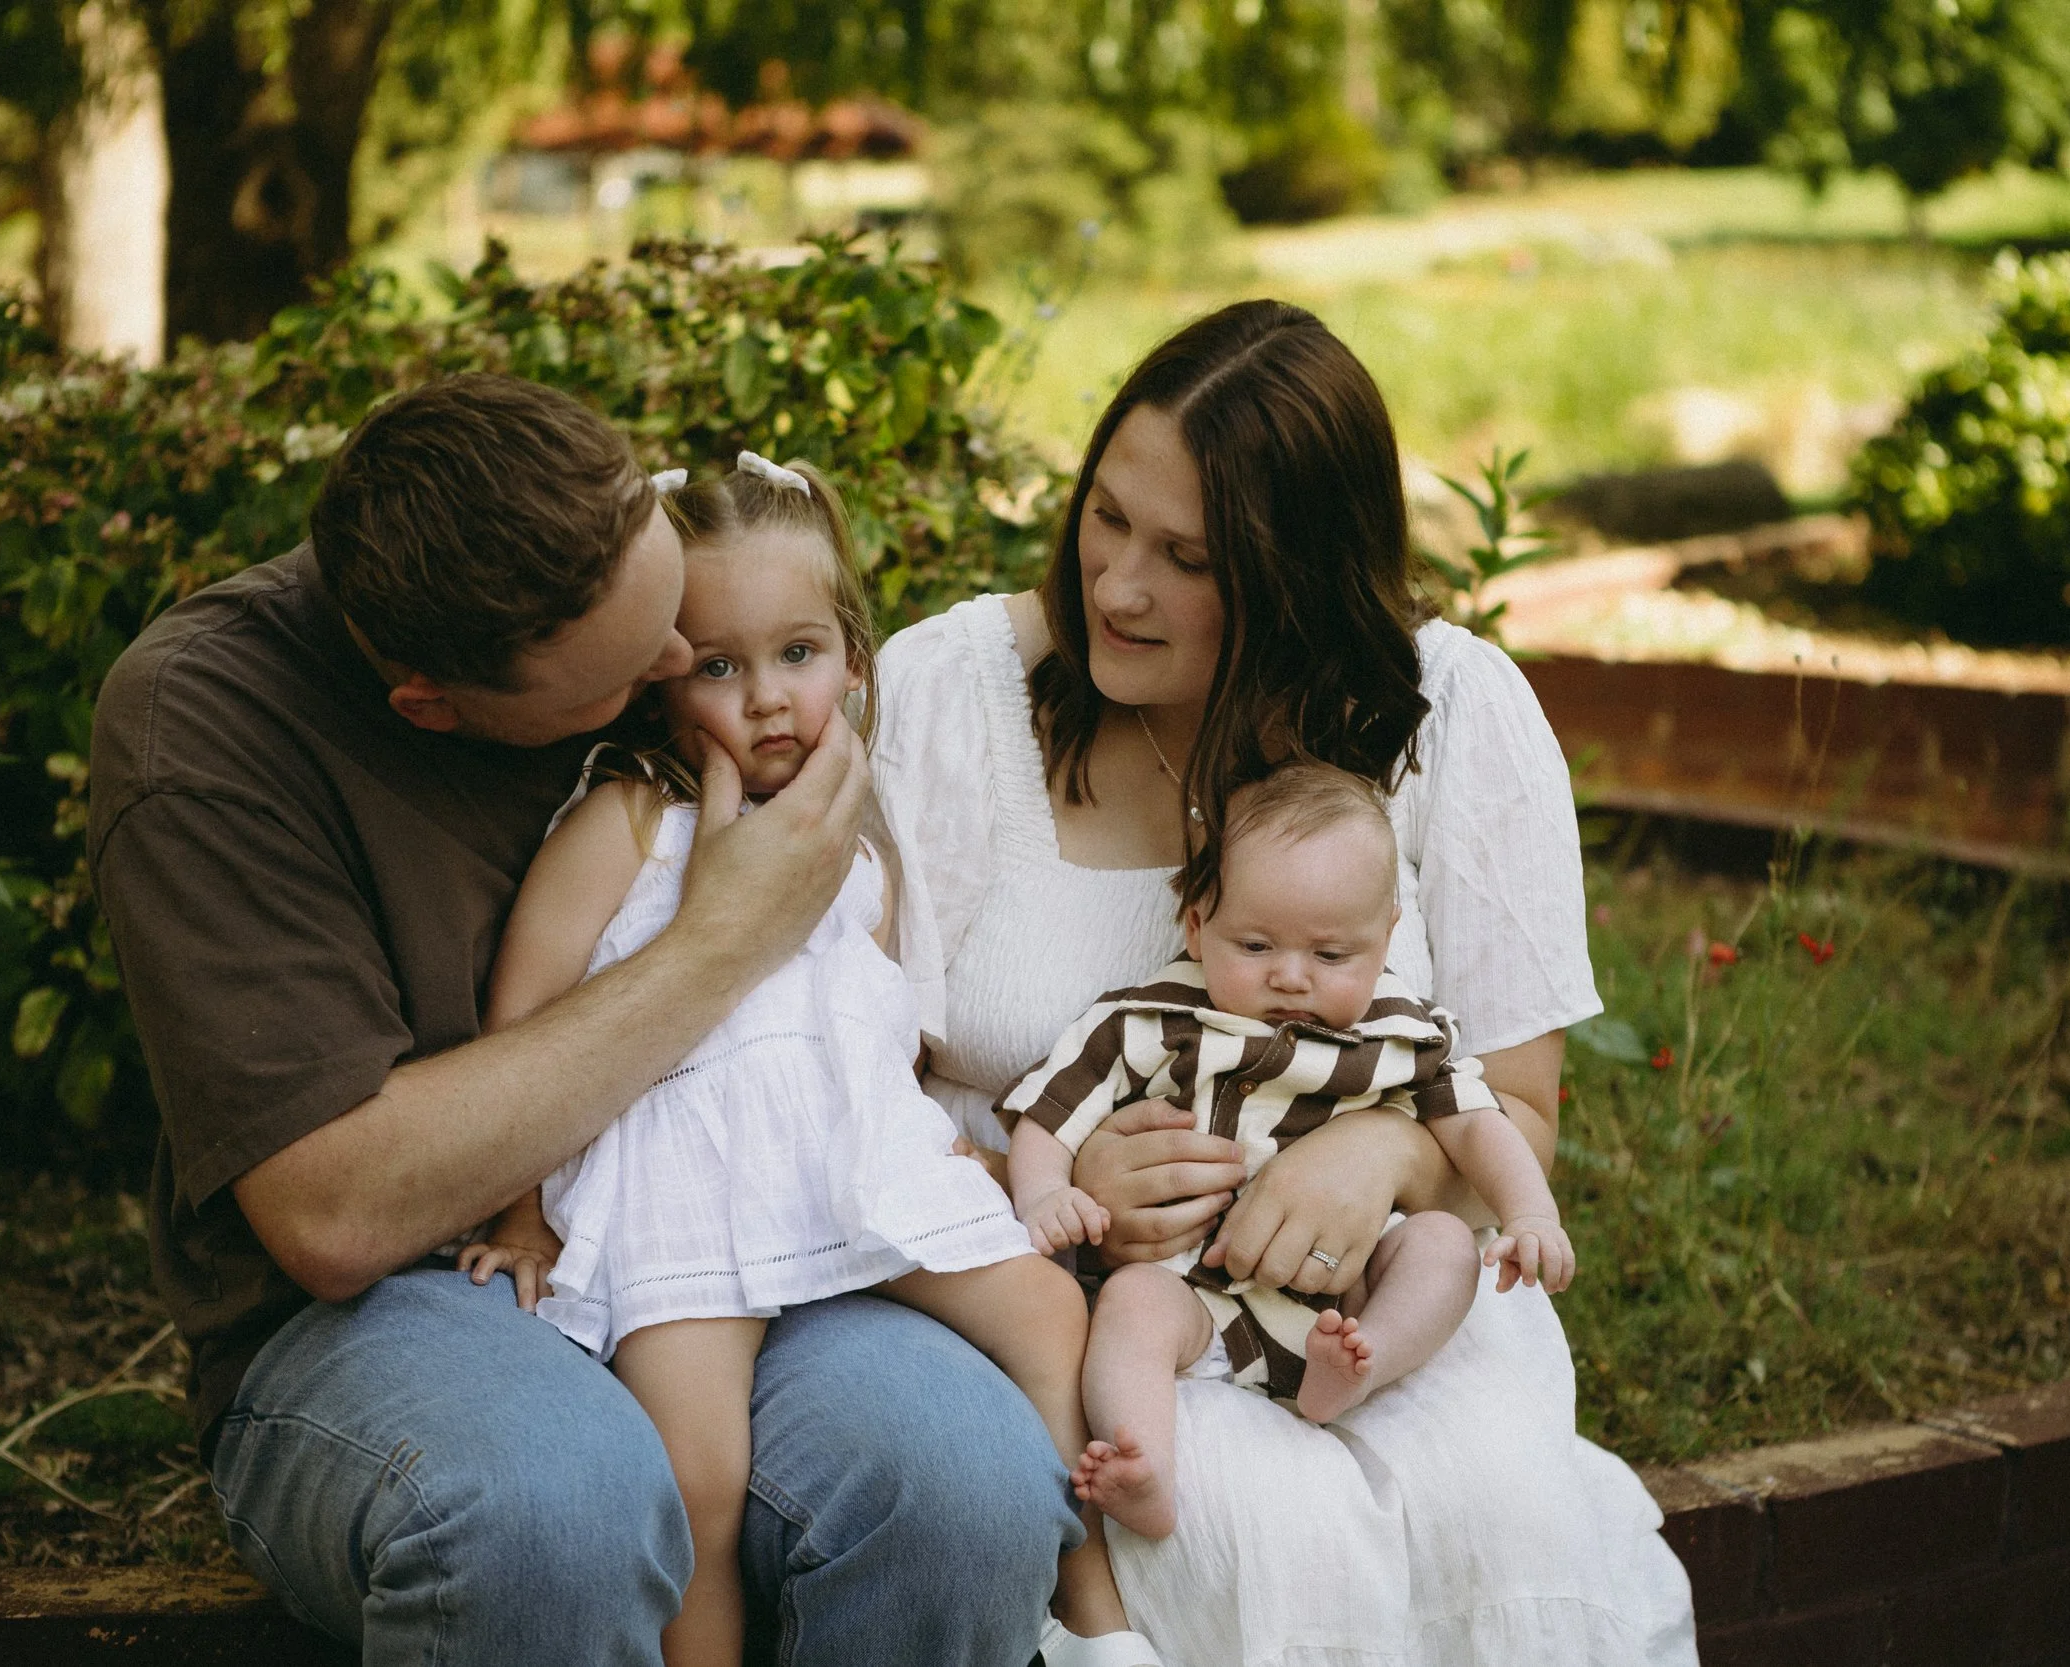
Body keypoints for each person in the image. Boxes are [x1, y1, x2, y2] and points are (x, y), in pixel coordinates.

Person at [87, 374, 1076, 1667]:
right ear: (436, 706)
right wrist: (719, 941)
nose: (688, 672)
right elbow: (336, 1212)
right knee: (556, 1508)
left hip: (749, 1216)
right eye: (641, 673)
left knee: (965, 1486)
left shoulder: (599, 566)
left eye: (677, 616)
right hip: (417, 1293)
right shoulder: (206, 733)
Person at [873, 302, 1700, 1666]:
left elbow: (1524, 1122)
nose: (1118, 585)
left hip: (1388, 1313)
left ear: (1298, 575)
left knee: (1504, 1527)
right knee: (1250, 1540)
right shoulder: (954, 697)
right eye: (1107, 516)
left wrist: (1382, 1149)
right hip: (1077, 1315)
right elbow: (845, 1090)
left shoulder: (1453, 718)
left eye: (1186, 557)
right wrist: (1053, 1192)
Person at [454, 453, 1150, 1667]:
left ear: (853, 657)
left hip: (839, 1171)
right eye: (719, 665)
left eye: (798, 652)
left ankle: (1084, 1617)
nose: (768, 697)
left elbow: (855, 1027)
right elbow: (524, 1020)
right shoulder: (626, 820)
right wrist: (520, 1208)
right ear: (660, 680)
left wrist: (941, 1147)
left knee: (1046, 1307)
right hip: (687, 1186)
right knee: (700, 1471)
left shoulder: (854, 837)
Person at [999, 762, 1575, 1541]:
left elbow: (1479, 1124)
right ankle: (1147, 1465)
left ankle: (1363, 1364)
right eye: (1256, 942)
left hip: (1341, 1298)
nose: (1291, 975)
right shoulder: (1154, 1023)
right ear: (1198, 925)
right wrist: (1042, 1194)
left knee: (1442, 1247)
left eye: (1332, 954)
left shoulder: (1401, 1037)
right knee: (1132, 1307)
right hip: (1191, 1294)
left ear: (1385, 940)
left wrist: (1531, 1211)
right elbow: (1048, 1113)